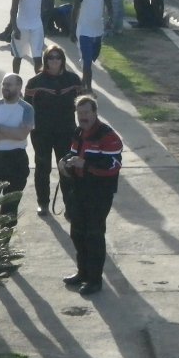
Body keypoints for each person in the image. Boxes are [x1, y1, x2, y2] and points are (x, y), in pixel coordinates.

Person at [58, 95, 123, 295]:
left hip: (99, 193)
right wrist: (65, 161)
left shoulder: (109, 137)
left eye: (86, 113)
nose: (83, 117)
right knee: (77, 233)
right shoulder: (78, 132)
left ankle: (94, 280)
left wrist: (85, 165)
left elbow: (113, 166)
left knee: (94, 235)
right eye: (80, 113)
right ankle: (82, 273)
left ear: (95, 112)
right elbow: (72, 153)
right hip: (79, 190)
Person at [24, 44, 83, 217]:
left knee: (66, 167)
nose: (54, 61)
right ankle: (43, 203)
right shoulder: (35, 82)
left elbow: (81, 106)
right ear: (45, 60)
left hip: (66, 131)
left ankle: (69, 206)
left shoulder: (73, 80)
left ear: (63, 60)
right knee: (43, 167)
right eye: (51, 58)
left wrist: (82, 130)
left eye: (58, 57)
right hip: (41, 132)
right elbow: (27, 109)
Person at [0, 73, 35, 222]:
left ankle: (4, 243)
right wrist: (11, 132)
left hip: (17, 160)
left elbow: (22, 135)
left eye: (9, 85)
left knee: (9, 208)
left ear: (18, 87)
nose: (5, 88)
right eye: (3, 84)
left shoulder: (27, 109)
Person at [71, 0, 113, 91]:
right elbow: (75, 10)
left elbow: (109, 6)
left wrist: (110, 20)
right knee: (87, 61)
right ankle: (88, 89)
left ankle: (83, 82)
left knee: (93, 57)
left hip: (97, 30)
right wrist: (72, 30)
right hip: (84, 31)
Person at [9, 0, 46, 75]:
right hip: (21, 26)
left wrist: (44, 25)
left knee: (37, 58)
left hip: (37, 26)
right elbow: (13, 9)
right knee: (18, 57)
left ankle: (38, 86)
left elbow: (46, 7)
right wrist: (15, 28)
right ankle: (16, 82)